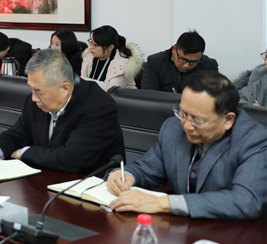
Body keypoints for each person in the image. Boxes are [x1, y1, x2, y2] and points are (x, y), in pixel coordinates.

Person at [106, 71, 267, 220]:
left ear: (228, 120)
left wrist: (164, 203)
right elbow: (146, 169)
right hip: (184, 229)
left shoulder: (255, 140)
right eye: (183, 113)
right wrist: (126, 176)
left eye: (198, 120)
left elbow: (246, 200)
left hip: (236, 233)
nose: (187, 126)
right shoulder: (173, 128)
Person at [0, 49, 125, 175]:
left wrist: (22, 153)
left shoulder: (98, 106)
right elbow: (18, 134)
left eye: (38, 91)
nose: (33, 98)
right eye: (31, 90)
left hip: (89, 191)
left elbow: (70, 159)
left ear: (65, 89)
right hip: (46, 183)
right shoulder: (38, 101)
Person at [142, 30, 219, 93]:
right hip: (162, 106)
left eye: (194, 62)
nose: (186, 66)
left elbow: (214, 96)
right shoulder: (155, 62)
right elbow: (149, 94)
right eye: (183, 59)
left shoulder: (209, 66)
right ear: (174, 49)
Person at [80, 25, 143, 90]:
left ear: (110, 47)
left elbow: (111, 89)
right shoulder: (89, 58)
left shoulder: (124, 65)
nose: (91, 47)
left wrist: (84, 81)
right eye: (91, 42)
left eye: (95, 45)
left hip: (117, 96)